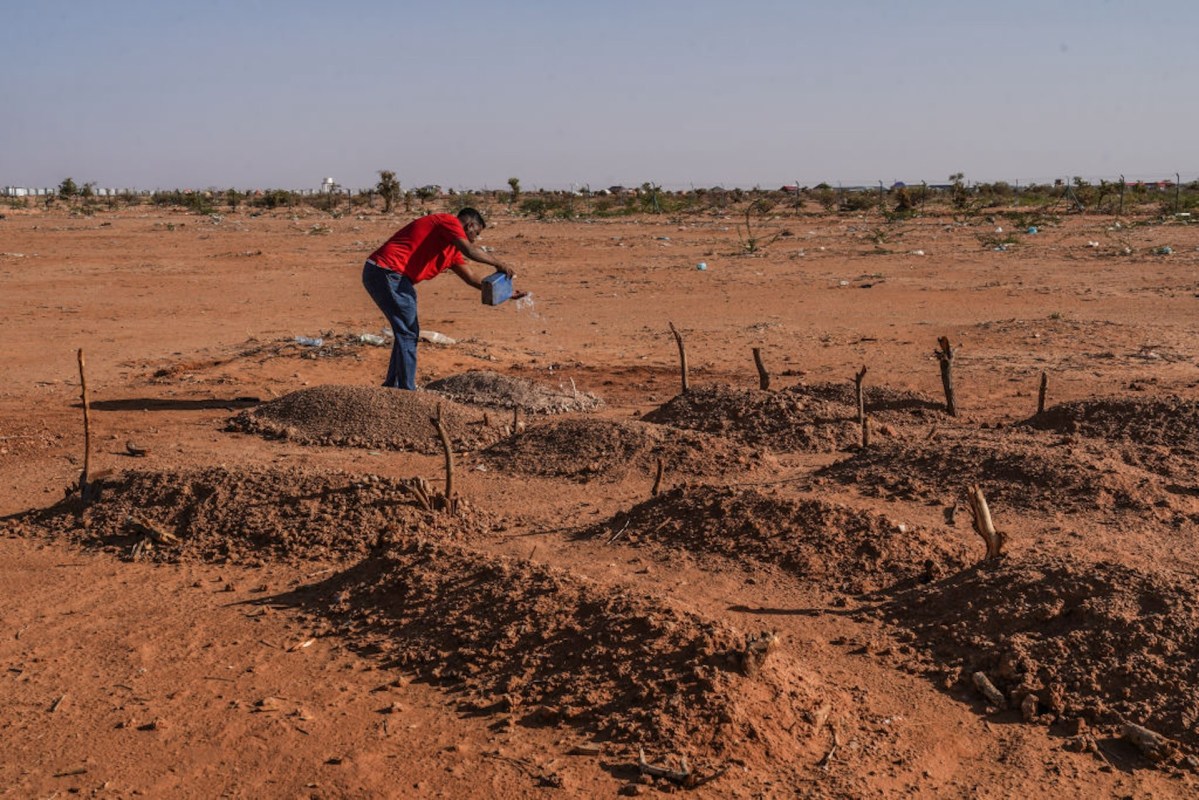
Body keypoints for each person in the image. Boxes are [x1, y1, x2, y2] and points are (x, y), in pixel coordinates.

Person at [361, 207, 523, 389]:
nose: (475, 238)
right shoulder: (448, 221)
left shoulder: (451, 251)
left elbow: (471, 278)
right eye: (476, 233)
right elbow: (470, 250)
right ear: (469, 225)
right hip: (387, 271)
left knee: (405, 332)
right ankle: (406, 391)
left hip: (389, 275)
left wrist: (506, 292)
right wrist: (499, 263)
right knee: (407, 332)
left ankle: (394, 385)